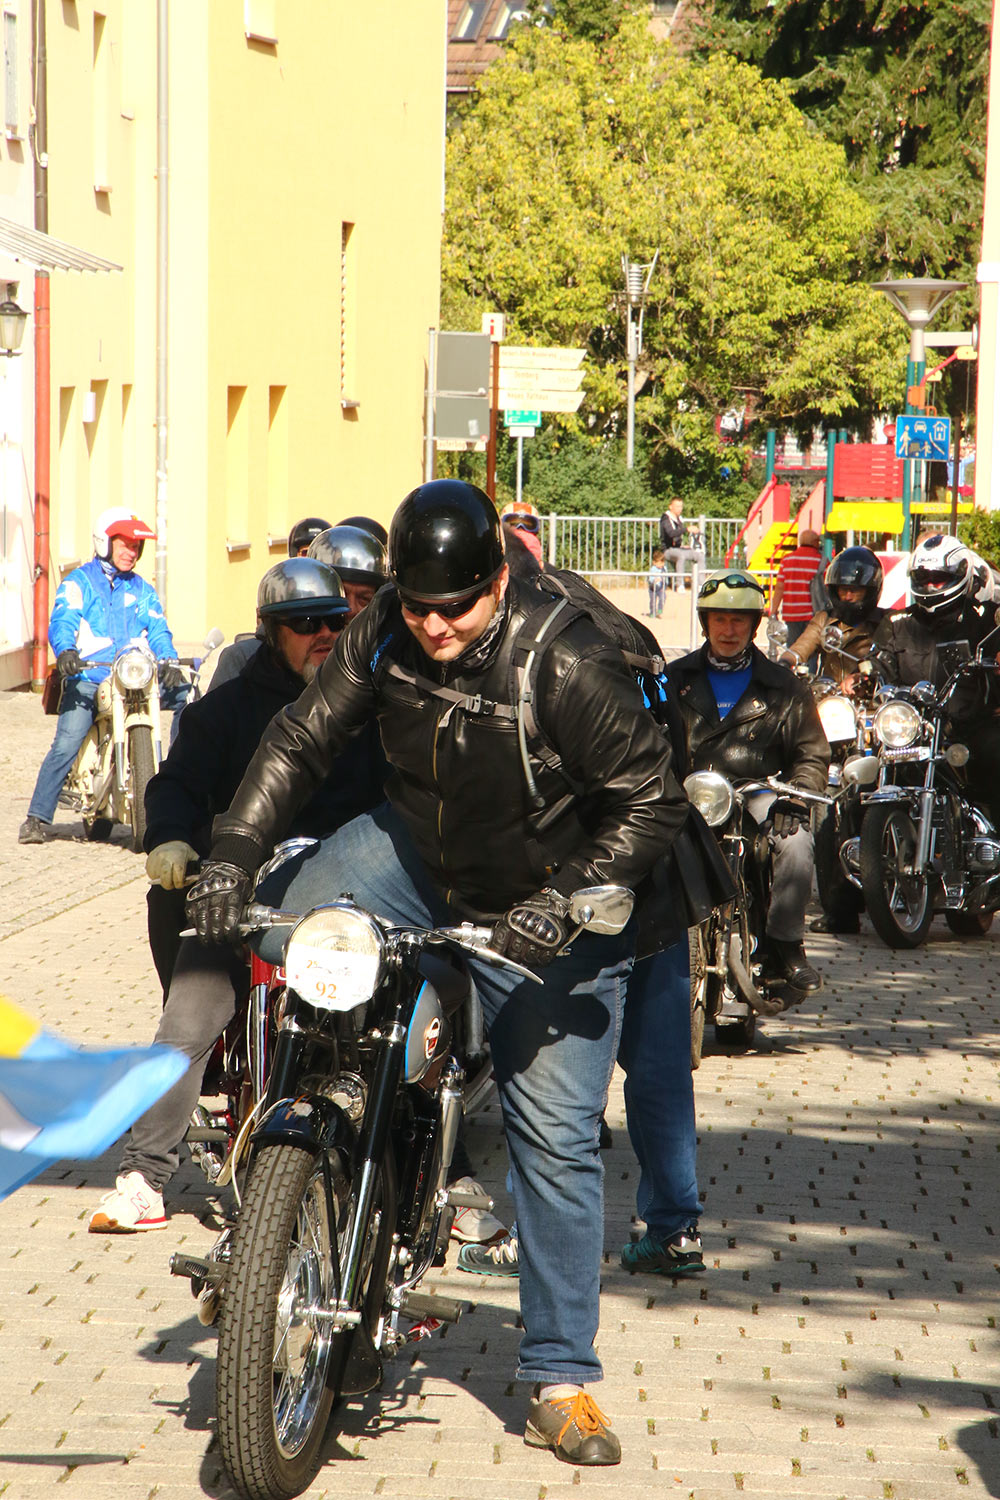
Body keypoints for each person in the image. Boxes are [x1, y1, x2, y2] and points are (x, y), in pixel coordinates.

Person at [185, 478, 690, 1467]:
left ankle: (559, 1374)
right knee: (288, 935)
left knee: (554, 1135)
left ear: (497, 581)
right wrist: (235, 850)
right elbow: (300, 737)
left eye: (454, 606)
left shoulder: (569, 660)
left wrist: (563, 901)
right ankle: (308, 1158)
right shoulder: (383, 629)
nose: (433, 625)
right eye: (416, 605)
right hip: (417, 852)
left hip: (552, 895)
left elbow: (648, 802)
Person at [88, 557, 390, 1234]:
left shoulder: (369, 708)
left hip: (345, 900)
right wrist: (169, 838)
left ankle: (422, 1177)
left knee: (394, 1030)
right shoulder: (224, 710)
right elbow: (174, 783)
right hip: (241, 897)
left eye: (334, 621)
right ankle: (145, 1175)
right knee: (187, 1020)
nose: (322, 635)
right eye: (303, 624)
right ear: (269, 631)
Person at [669, 569, 830, 993]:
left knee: (796, 844)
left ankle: (784, 947)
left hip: (757, 792)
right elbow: (648, 738)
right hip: (689, 794)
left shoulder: (785, 686)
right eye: (719, 619)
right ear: (705, 622)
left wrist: (795, 802)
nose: (728, 629)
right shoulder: (673, 679)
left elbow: (812, 753)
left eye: (739, 620)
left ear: (754, 625)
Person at [18, 508, 191, 846]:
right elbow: (63, 619)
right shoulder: (78, 583)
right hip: (90, 674)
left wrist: (168, 659)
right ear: (104, 542)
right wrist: (66, 651)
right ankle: (36, 817)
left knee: (187, 696)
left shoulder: (141, 589)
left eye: (136, 547)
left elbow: (156, 626)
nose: (131, 552)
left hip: (134, 675)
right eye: (125, 544)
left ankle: (178, 778)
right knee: (67, 741)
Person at [872, 533, 1000, 829]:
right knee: (861, 769)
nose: (929, 585)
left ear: (959, 575)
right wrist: (863, 675)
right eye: (923, 577)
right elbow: (878, 664)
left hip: (970, 728)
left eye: (939, 578)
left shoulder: (985, 621)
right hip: (912, 730)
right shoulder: (897, 622)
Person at [210, 519, 388, 689]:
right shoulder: (245, 658)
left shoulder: (381, 660)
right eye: (341, 594)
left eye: (364, 599)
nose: (349, 609)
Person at [781, 546, 885, 688]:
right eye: (843, 590)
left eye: (854, 590)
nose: (848, 596)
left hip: (868, 699)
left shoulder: (885, 623)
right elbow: (801, 648)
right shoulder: (825, 619)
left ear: (870, 590)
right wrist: (784, 663)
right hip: (829, 697)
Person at [770, 529, 823, 647]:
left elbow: (779, 587)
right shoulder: (821, 561)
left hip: (791, 613)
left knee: (793, 648)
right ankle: (810, 666)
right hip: (813, 613)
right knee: (811, 648)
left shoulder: (787, 560)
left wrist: (774, 610)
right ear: (815, 542)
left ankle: (791, 665)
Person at [658, 496, 706, 588]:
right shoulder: (666, 519)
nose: (679, 509)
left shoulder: (679, 519)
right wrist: (687, 529)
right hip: (668, 550)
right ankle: (680, 584)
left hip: (678, 548)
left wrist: (682, 545)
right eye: (677, 506)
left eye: (681, 506)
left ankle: (701, 585)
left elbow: (677, 538)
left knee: (699, 555)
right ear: (670, 506)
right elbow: (671, 533)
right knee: (681, 556)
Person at [647, 546, 668, 617]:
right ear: (654, 562)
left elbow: (666, 577)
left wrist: (666, 584)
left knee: (663, 597)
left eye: (663, 562)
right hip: (653, 588)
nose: (661, 564)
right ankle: (652, 612)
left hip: (661, 588)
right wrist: (654, 580)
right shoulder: (653, 569)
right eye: (659, 563)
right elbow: (650, 579)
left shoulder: (664, 568)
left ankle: (660, 609)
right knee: (652, 601)